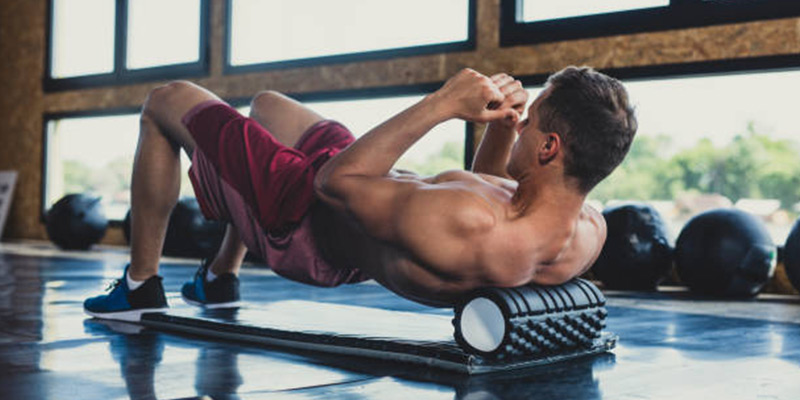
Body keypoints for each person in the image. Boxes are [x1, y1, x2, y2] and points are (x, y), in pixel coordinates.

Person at [84, 66, 637, 320]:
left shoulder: (468, 221)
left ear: (549, 149)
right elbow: (493, 185)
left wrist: (443, 103)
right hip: (362, 202)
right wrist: (498, 125)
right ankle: (219, 277)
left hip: (300, 215)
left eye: (530, 122)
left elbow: (335, 184)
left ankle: (138, 285)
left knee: (166, 98)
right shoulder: (585, 229)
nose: (521, 125)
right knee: (270, 103)